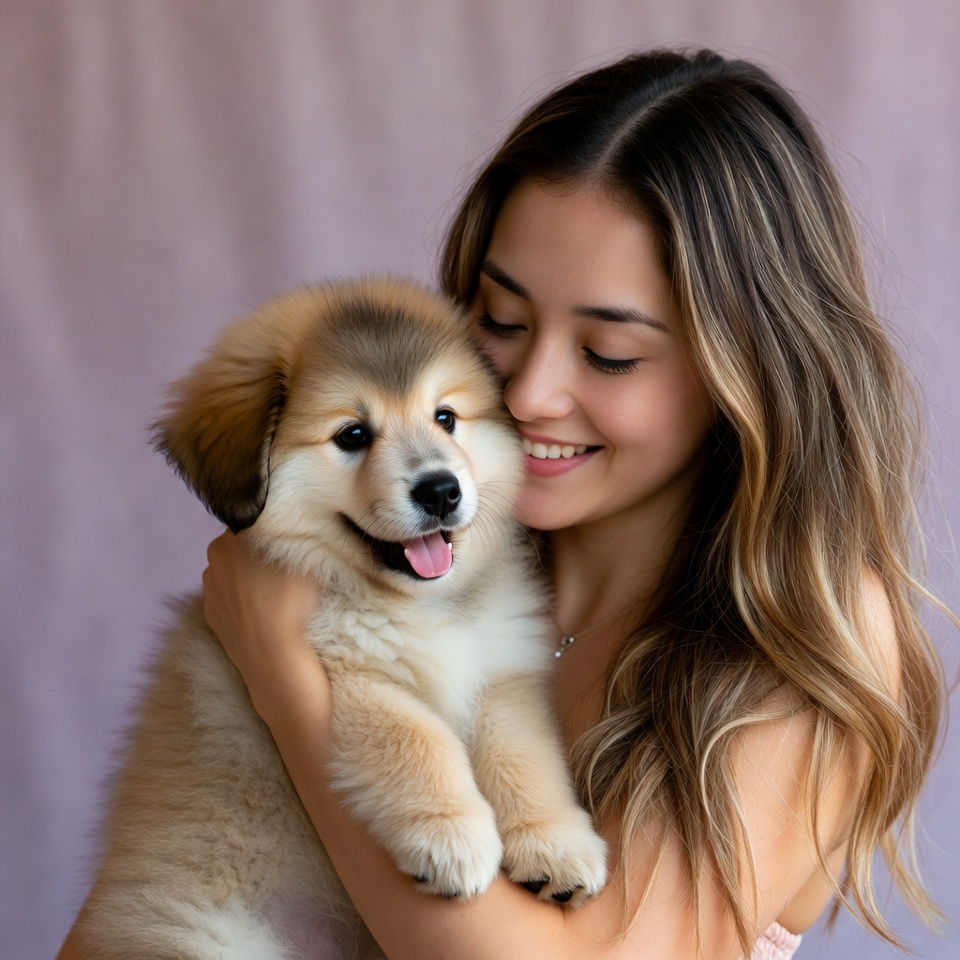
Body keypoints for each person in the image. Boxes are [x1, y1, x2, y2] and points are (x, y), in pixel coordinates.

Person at [58, 47, 949, 960]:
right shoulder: (405, 547)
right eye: (503, 322)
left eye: (608, 353)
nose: (526, 396)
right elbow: (157, 889)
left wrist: (287, 680)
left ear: (749, 372)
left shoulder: (801, 633)